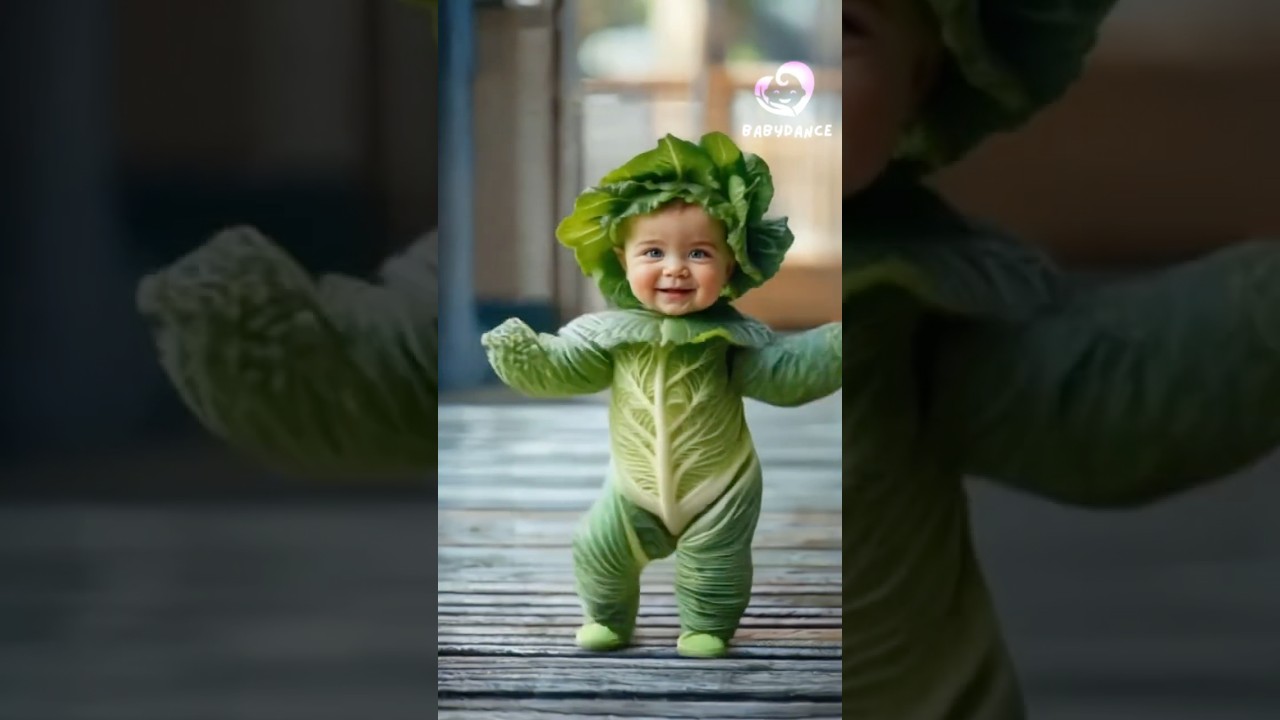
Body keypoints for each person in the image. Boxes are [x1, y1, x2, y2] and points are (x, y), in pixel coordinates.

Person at [841, 1, 1280, 717]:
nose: (762, 68)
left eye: (840, 29)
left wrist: (1262, 312)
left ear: (919, 84)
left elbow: (1092, 395)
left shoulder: (901, 303)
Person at [481, 132, 842, 658]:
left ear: (732, 264)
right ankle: (607, 618)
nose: (675, 268)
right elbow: (569, 367)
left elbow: (781, 374)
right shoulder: (609, 334)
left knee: (717, 561)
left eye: (699, 253)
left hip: (720, 483)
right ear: (621, 259)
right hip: (633, 485)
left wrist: (833, 347)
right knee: (599, 548)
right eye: (653, 252)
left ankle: (707, 625)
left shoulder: (733, 338)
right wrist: (525, 354)